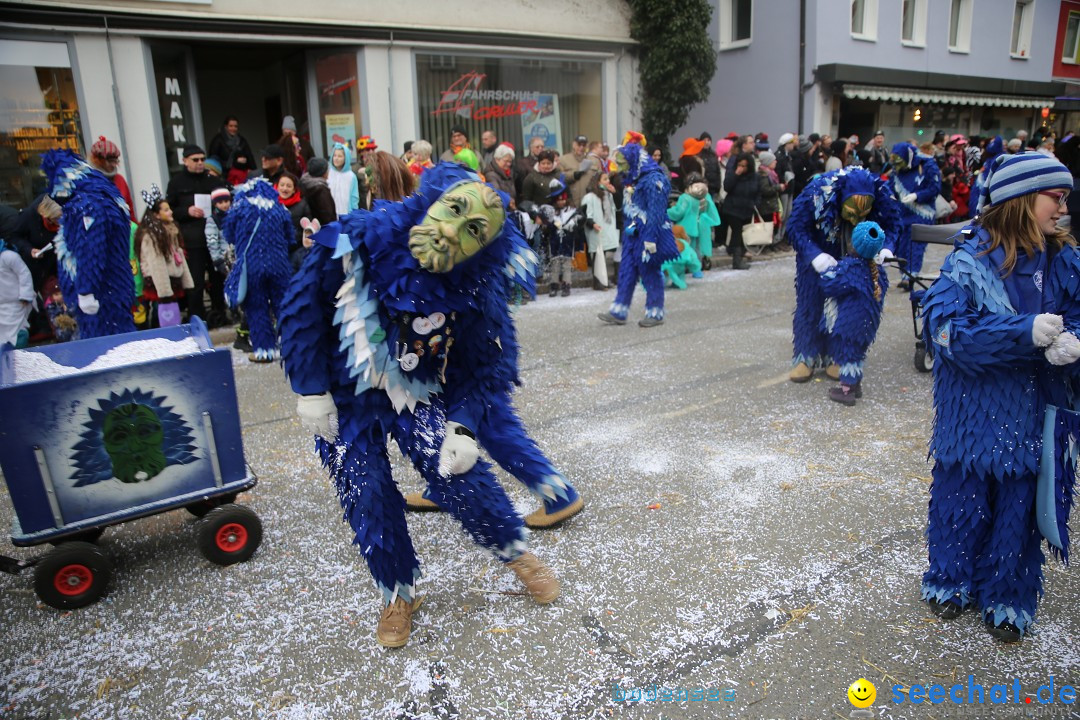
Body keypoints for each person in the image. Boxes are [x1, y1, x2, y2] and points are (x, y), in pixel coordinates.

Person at [278, 163, 566, 648]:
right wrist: (309, 389)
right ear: (431, 201)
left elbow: (484, 366)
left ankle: (516, 552)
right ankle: (398, 592)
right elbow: (301, 306)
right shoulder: (356, 239)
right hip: (344, 395)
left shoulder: (477, 288)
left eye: (474, 229)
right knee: (364, 490)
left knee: (459, 471)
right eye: (453, 209)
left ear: (484, 246)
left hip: (415, 392)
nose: (453, 231)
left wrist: (466, 427)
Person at [920, 152, 1077, 643]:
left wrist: (1075, 340)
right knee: (959, 503)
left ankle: (1008, 595)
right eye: (1056, 196)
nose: (1063, 206)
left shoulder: (1066, 260)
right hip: (970, 418)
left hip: (1033, 418)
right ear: (1022, 199)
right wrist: (1021, 332)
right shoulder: (968, 259)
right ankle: (949, 579)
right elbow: (943, 333)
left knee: (1018, 512)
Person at [787, 167, 901, 382]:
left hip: (856, 261)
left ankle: (838, 356)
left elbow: (893, 225)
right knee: (810, 304)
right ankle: (805, 356)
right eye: (852, 211)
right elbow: (795, 228)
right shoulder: (816, 192)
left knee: (847, 311)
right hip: (817, 257)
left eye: (863, 213)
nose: (856, 218)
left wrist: (887, 248)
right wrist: (814, 255)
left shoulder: (882, 194)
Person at [41, 150, 135, 339]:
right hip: (115, 286)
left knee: (104, 344)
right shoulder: (107, 195)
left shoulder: (85, 205)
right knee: (121, 338)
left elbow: (91, 249)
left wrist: (86, 291)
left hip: (100, 295)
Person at [597, 132, 678, 328]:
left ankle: (655, 311)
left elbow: (656, 213)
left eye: (621, 161)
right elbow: (626, 208)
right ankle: (619, 310)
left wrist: (650, 240)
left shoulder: (653, 180)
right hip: (632, 234)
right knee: (626, 271)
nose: (618, 165)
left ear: (633, 160)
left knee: (650, 272)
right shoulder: (632, 179)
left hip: (649, 235)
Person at [223, 179, 293, 363]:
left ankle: (264, 349)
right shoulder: (280, 208)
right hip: (279, 265)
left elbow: (228, 234)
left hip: (252, 265)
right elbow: (290, 236)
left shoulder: (239, 208)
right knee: (283, 305)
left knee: (256, 306)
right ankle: (291, 346)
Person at [817, 220, 887, 405]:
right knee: (857, 353)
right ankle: (856, 385)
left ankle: (847, 391)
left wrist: (826, 271)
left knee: (847, 354)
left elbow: (831, 286)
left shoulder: (850, 268)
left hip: (849, 324)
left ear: (853, 243)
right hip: (867, 324)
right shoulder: (878, 271)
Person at [166, 143, 227, 325]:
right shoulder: (176, 182)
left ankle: (220, 313)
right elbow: (169, 209)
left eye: (202, 159)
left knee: (218, 279)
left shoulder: (213, 180)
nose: (200, 163)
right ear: (185, 161)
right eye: (195, 160)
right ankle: (197, 317)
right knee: (195, 281)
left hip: (214, 238)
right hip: (192, 239)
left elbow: (226, 201)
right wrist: (187, 211)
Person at [135, 184, 194, 320]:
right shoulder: (152, 236)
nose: (171, 212)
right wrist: (164, 291)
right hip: (160, 287)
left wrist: (186, 280)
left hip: (171, 282)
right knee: (163, 318)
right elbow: (156, 264)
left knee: (172, 316)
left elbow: (178, 255)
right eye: (166, 210)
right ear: (156, 214)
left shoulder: (170, 231)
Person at [890, 142, 942, 278]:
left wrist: (917, 196)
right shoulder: (898, 169)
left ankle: (911, 277)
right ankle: (904, 273)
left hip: (922, 214)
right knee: (901, 246)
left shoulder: (928, 166)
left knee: (915, 246)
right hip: (903, 213)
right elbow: (891, 186)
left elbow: (934, 188)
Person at [667, 172, 720, 270]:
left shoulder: (686, 197)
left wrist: (667, 212)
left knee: (688, 246)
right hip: (703, 226)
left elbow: (679, 212)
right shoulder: (706, 196)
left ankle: (688, 265)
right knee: (701, 246)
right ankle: (701, 263)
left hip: (687, 226)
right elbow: (711, 210)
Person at [537, 187, 581, 297]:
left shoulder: (571, 212)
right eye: (559, 200)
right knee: (555, 265)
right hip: (555, 243)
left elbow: (578, 223)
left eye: (563, 200)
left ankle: (566, 285)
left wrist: (571, 225)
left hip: (567, 242)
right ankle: (554, 285)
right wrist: (551, 225)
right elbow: (546, 229)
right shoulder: (552, 213)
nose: (561, 202)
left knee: (567, 265)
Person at [721, 152, 760, 270]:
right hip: (732, 208)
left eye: (744, 166)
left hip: (747, 209)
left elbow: (758, 192)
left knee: (740, 234)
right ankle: (737, 261)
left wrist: (755, 204)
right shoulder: (733, 173)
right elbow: (727, 186)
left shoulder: (755, 177)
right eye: (740, 165)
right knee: (737, 232)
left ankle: (733, 251)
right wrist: (735, 175)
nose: (741, 168)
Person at [581, 172, 619, 290]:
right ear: (598, 182)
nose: (608, 181)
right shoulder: (590, 197)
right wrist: (593, 224)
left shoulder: (608, 195)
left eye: (608, 179)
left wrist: (615, 193)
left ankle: (604, 280)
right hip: (596, 228)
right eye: (605, 179)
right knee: (597, 256)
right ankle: (598, 282)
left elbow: (616, 208)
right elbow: (586, 213)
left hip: (607, 228)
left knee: (603, 254)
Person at [89, 136, 135, 221]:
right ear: (98, 160)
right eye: (110, 161)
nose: (114, 165)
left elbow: (130, 209)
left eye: (116, 161)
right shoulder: (90, 182)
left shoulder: (120, 180)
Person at [0, 236, 34, 348]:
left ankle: (20, 353)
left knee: (18, 329)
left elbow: (24, 274)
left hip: (17, 302)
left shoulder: (8, 256)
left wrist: (25, 295)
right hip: (2, 306)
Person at [207, 116, 255, 186]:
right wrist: (234, 162)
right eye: (231, 126)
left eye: (235, 126)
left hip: (240, 176)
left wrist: (252, 169)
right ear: (226, 127)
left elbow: (250, 156)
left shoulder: (241, 140)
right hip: (224, 175)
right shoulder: (218, 140)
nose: (233, 129)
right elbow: (213, 160)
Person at [276, 173, 310, 270]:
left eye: (289, 186)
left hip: (295, 250)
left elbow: (307, 228)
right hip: (275, 251)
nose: (284, 189)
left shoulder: (302, 205)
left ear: (294, 189)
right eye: (282, 185)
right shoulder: (270, 204)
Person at [300, 158, 337, 227]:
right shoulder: (321, 190)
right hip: (323, 230)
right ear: (323, 173)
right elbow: (327, 215)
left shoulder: (305, 183)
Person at [328, 142, 360, 216]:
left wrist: (354, 213)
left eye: (340, 156)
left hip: (346, 214)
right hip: (330, 215)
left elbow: (354, 197)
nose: (336, 158)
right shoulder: (328, 173)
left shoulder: (351, 176)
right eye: (334, 155)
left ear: (346, 158)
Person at [43, 277, 76, 342]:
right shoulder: (51, 306)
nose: (60, 296)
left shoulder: (70, 302)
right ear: (52, 296)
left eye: (61, 293)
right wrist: (65, 311)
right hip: (62, 331)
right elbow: (55, 320)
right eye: (56, 294)